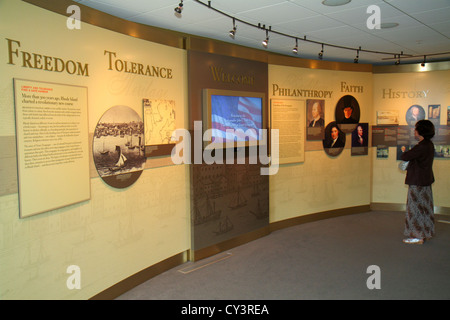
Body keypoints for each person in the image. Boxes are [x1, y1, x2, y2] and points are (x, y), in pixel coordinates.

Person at [400, 120, 435, 244]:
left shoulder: (421, 147)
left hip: (417, 182)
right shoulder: (429, 145)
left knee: (415, 209)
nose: (414, 131)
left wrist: (405, 151)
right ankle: (426, 232)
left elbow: (405, 156)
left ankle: (417, 236)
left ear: (421, 131)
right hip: (425, 181)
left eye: (416, 129)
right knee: (425, 208)